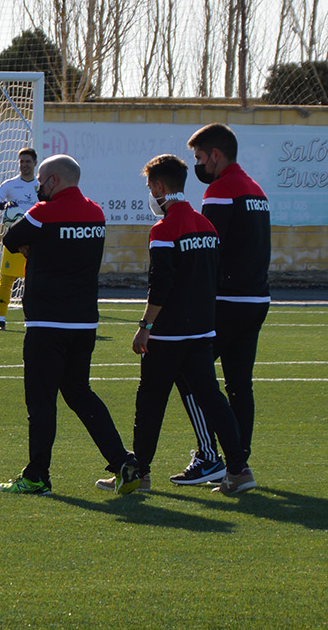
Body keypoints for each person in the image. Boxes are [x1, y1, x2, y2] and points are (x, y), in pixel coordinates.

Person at [0, 154, 142, 496]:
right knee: (80, 393)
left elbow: (10, 240)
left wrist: (37, 250)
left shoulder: (42, 213)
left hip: (47, 322)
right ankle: (123, 462)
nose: (38, 188)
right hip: (84, 322)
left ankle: (37, 476)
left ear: (54, 181)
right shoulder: (96, 212)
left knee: (42, 401)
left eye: (41, 182)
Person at [99, 154, 244, 495]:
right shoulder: (206, 225)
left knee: (150, 401)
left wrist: (145, 326)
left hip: (168, 334)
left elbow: (160, 284)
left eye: (150, 187)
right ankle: (239, 467)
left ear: (160, 187)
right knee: (212, 398)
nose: (150, 193)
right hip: (201, 330)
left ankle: (140, 474)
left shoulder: (164, 229)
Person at [187, 123, 271, 495]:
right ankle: (239, 465)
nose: (199, 165)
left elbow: (208, 249)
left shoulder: (220, 190)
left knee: (189, 371)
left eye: (200, 158)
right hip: (256, 299)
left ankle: (212, 457)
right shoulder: (255, 189)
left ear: (216, 155)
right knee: (239, 385)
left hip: (228, 300)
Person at [0, 147, 39, 331]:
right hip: (15, 240)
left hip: (36, 242)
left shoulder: (41, 186)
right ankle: (1, 321)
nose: (24, 165)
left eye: (28, 162)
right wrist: (2, 205)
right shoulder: (10, 184)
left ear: (35, 163)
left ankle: (33, 319)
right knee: (7, 280)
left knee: (35, 282)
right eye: (21, 161)